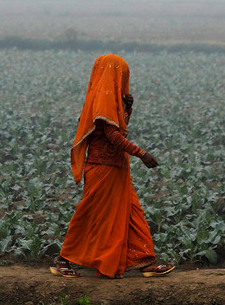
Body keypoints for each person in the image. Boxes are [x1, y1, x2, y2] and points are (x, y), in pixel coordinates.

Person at [51, 54, 175, 279]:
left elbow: (120, 126)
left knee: (132, 213)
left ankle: (144, 261)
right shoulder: (102, 98)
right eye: (122, 76)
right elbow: (112, 134)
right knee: (90, 214)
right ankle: (63, 259)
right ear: (114, 75)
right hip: (101, 168)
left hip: (117, 167)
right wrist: (141, 153)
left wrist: (128, 109)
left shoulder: (112, 100)